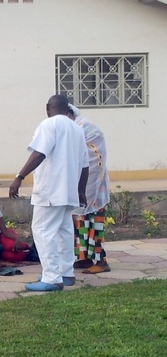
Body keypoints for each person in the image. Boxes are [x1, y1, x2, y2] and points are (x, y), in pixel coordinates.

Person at [9, 95, 89, 292]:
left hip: (51, 190)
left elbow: (39, 153)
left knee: (43, 231)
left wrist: (20, 176)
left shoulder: (49, 124)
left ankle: (52, 279)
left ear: (48, 108)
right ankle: (66, 273)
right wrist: (80, 190)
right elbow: (85, 164)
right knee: (64, 232)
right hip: (69, 191)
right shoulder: (77, 128)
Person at [68, 104, 111, 274]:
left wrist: (83, 186)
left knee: (95, 224)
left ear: (68, 112)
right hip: (79, 186)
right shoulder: (72, 128)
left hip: (94, 188)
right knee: (79, 224)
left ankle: (101, 261)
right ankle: (84, 257)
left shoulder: (85, 127)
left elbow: (93, 157)